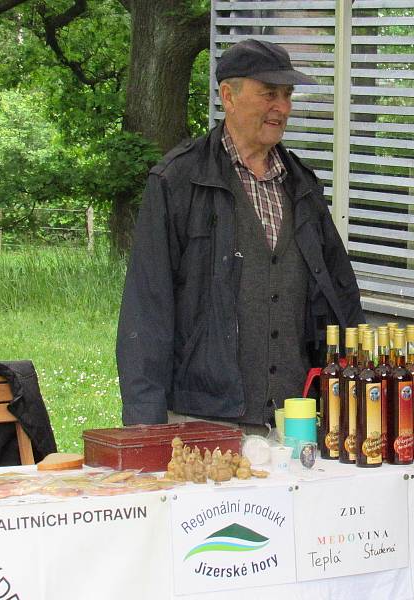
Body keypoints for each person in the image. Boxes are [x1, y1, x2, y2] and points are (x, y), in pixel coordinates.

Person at [117, 39, 364, 430]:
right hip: (202, 419)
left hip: (295, 420)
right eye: (269, 94)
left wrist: (352, 400)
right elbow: (147, 313)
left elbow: (341, 297)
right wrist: (145, 428)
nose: (282, 108)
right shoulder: (178, 182)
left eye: (287, 95)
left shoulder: (302, 186)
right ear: (228, 96)